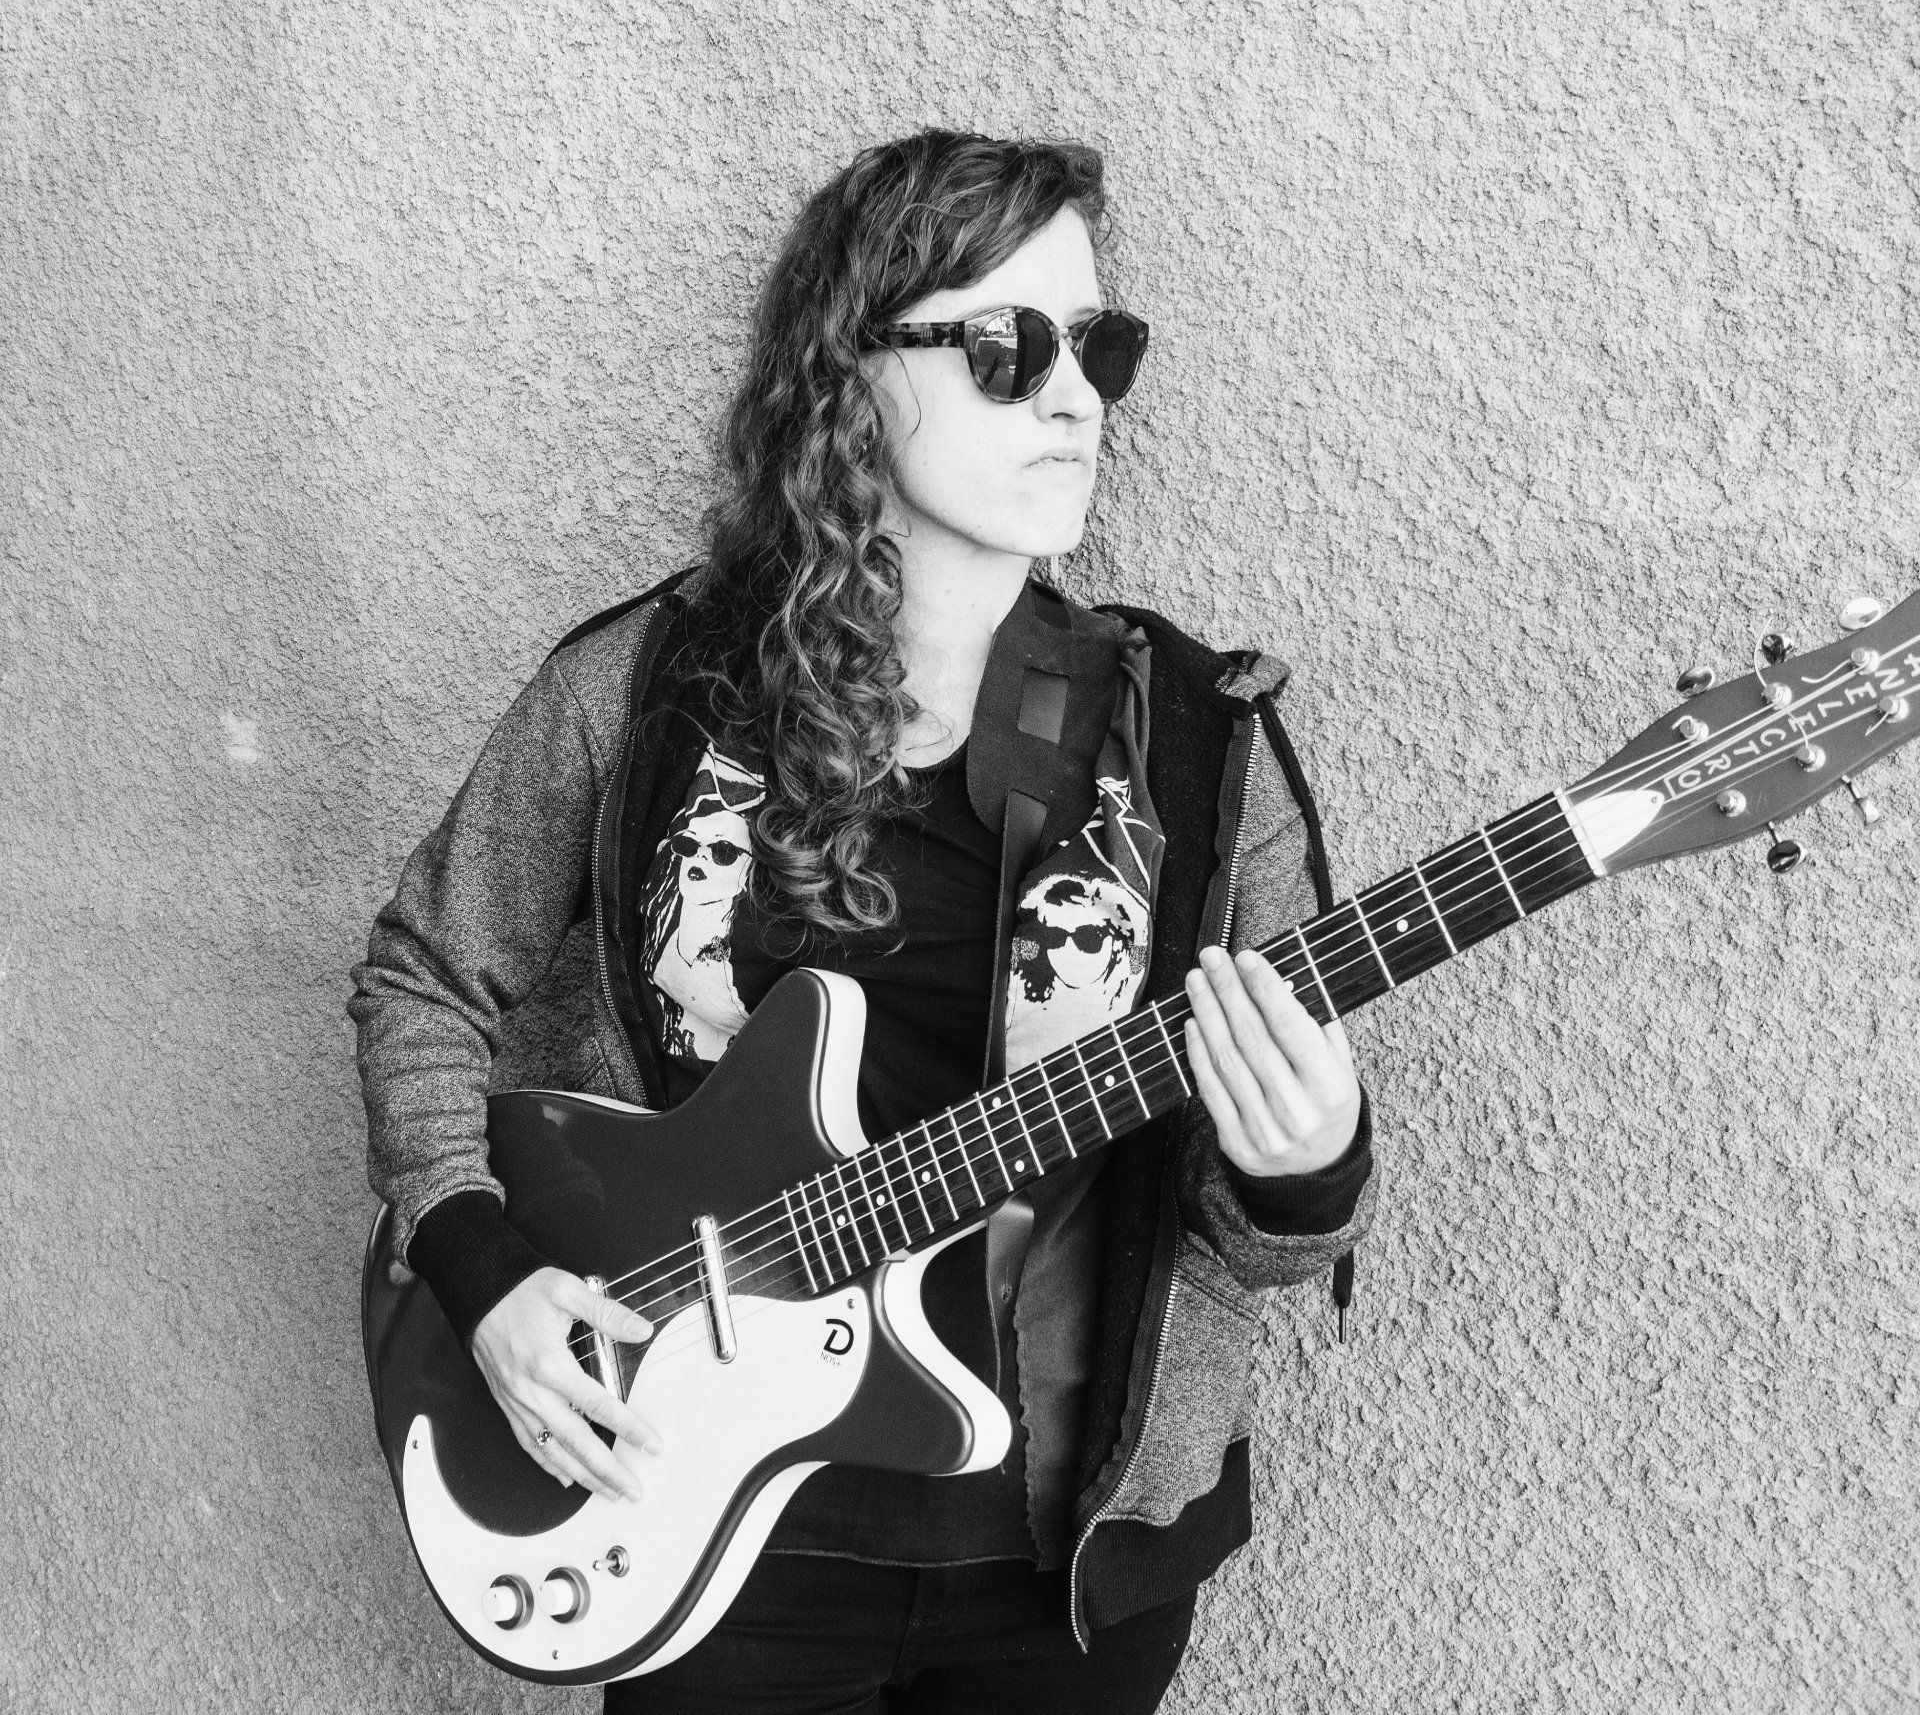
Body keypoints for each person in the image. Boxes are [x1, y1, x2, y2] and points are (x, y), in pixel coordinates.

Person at [352, 128, 1377, 1714]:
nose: (1072, 396)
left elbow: (1260, 1246)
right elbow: (427, 967)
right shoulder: (646, 692)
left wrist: (1307, 1167)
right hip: (704, 1530)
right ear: (846, 377)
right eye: (1003, 346)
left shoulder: (1193, 739)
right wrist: (482, 1271)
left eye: (1096, 347)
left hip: (1062, 1568)